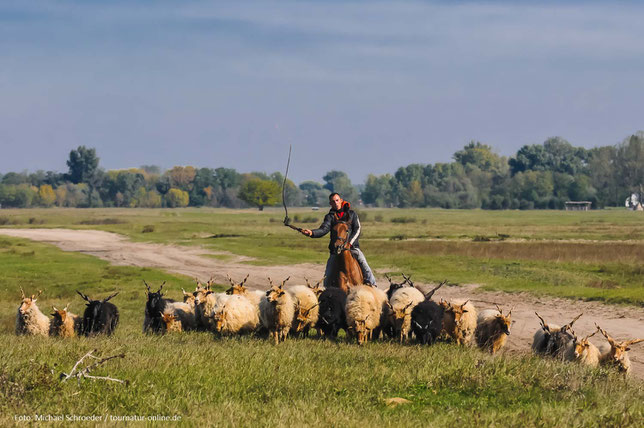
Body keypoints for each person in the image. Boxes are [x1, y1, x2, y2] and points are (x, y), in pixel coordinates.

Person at [301, 192, 377, 286]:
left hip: (352, 248)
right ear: (330, 204)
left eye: (337, 200)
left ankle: (373, 285)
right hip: (335, 250)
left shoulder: (352, 214)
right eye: (333, 201)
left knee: (364, 263)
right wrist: (312, 233)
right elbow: (324, 229)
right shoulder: (330, 217)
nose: (336, 203)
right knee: (328, 273)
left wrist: (350, 243)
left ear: (341, 200)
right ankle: (327, 290)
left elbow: (357, 229)